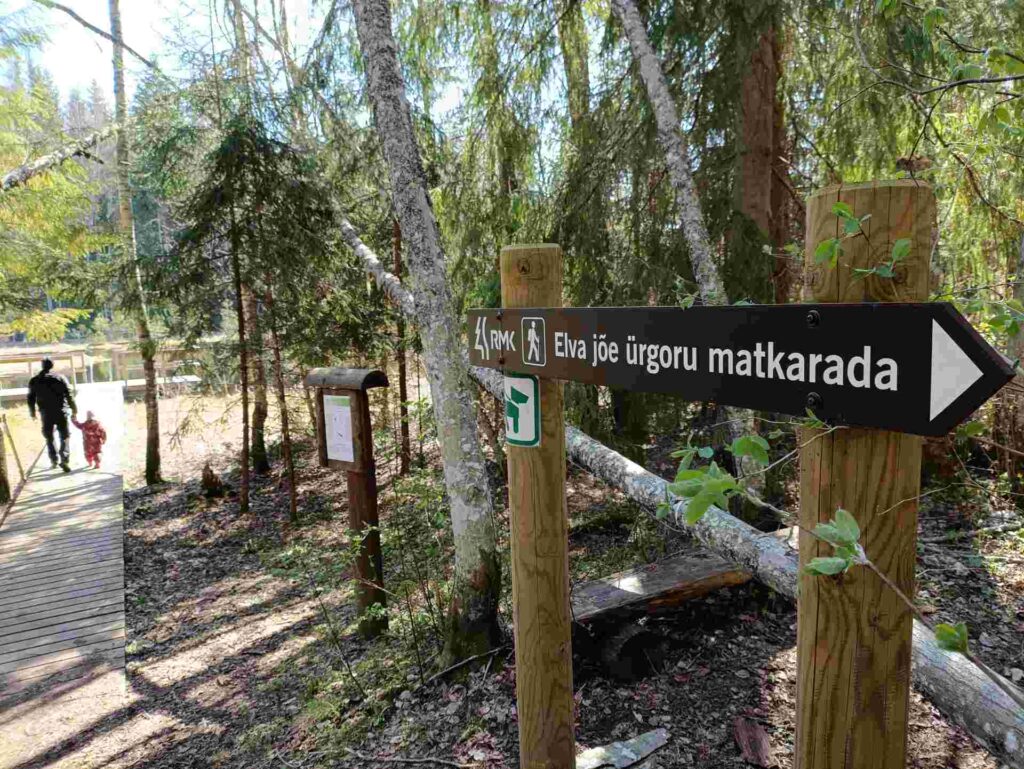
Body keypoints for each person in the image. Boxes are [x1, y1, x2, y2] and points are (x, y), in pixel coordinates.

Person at [27, 358, 77, 472]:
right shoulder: (60, 378)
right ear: (52, 366)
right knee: (64, 435)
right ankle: (64, 459)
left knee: (49, 437)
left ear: (42, 366)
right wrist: (74, 409)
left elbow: (30, 398)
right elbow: (69, 395)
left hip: (46, 413)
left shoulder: (34, 380)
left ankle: (54, 459)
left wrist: (32, 412)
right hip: (61, 411)